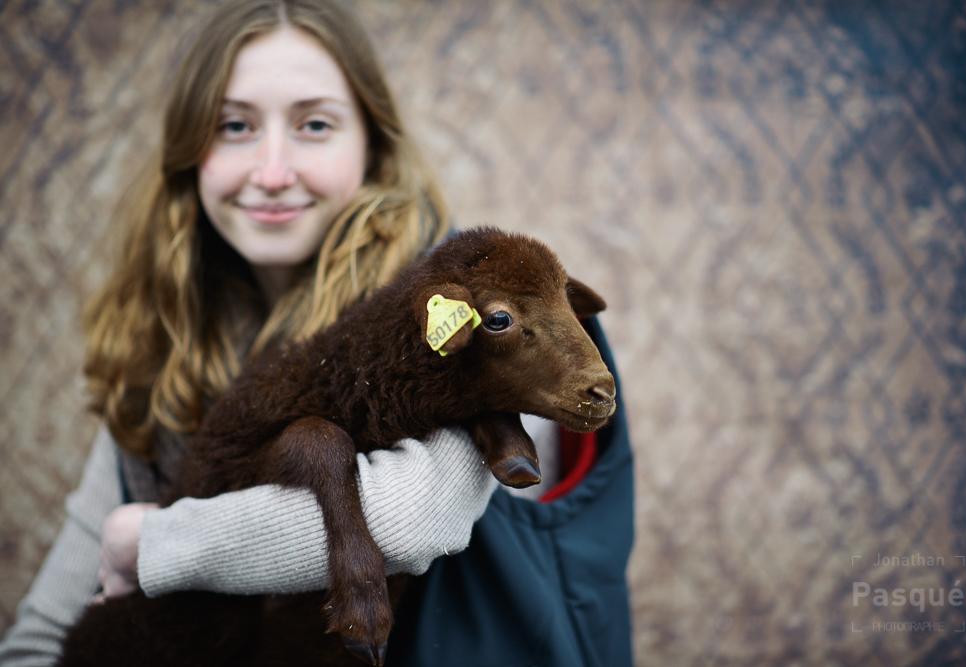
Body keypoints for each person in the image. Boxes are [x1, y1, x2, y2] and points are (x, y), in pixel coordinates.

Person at [0, 1, 634, 666]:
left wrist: (150, 543)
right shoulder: (165, 348)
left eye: (315, 124)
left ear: (372, 143)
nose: (272, 172)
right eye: (234, 126)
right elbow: (39, 639)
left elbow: (410, 518)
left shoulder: (462, 313)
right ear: (189, 152)